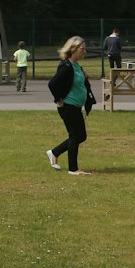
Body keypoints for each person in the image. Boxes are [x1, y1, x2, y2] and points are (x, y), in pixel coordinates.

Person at [46, 35, 96, 175]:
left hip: (75, 106)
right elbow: (52, 84)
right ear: (73, 49)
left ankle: (54, 152)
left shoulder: (76, 66)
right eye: (82, 48)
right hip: (68, 106)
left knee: (80, 136)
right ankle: (73, 169)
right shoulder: (67, 66)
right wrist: (58, 99)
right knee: (76, 136)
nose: (84, 51)